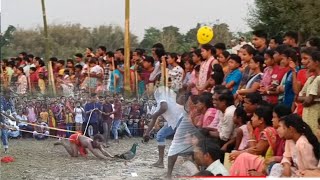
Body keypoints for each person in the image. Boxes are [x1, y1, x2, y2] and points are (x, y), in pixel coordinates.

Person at [229, 104, 278, 176]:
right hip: (261, 160)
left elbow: (256, 151)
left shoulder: (268, 131)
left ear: (261, 120)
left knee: (243, 157)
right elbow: (251, 148)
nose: (251, 119)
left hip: (268, 162)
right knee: (238, 155)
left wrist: (250, 132)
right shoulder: (259, 130)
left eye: (254, 116)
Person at [143, 86, 184, 169]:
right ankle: (160, 161)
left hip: (179, 119)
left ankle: (162, 162)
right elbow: (154, 119)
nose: (146, 90)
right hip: (177, 119)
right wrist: (147, 133)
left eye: (147, 87)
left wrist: (156, 114)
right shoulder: (160, 100)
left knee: (182, 142)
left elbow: (164, 108)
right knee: (161, 135)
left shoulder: (159, 91)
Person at [298, 51, 320, 134]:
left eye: (309, 61)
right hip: (307, 116)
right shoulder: (311, 79)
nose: (307, 64)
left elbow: (307, 101)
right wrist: (312, 99)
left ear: (317, 63)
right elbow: (299, 98)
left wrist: (308, 99)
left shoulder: (318, 79)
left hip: (315, 117)